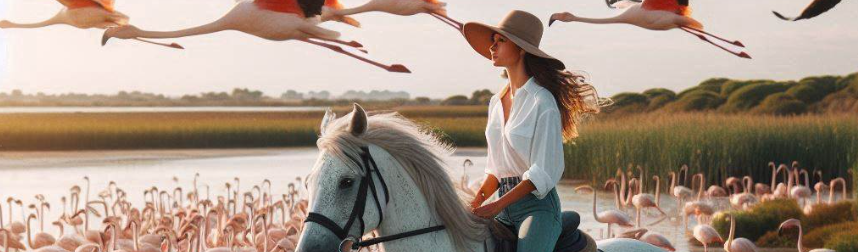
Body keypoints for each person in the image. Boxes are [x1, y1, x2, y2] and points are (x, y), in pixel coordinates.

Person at [462, 10, 606, 252]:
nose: (492, 47)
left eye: (501, 41)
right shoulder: (495, 103)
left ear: (521, 49)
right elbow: (495, 170)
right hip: (503, 209)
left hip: (537, 210)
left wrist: (495, 207)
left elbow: (543, 171)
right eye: (493, 41)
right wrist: (475, 204)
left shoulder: (543, 101)